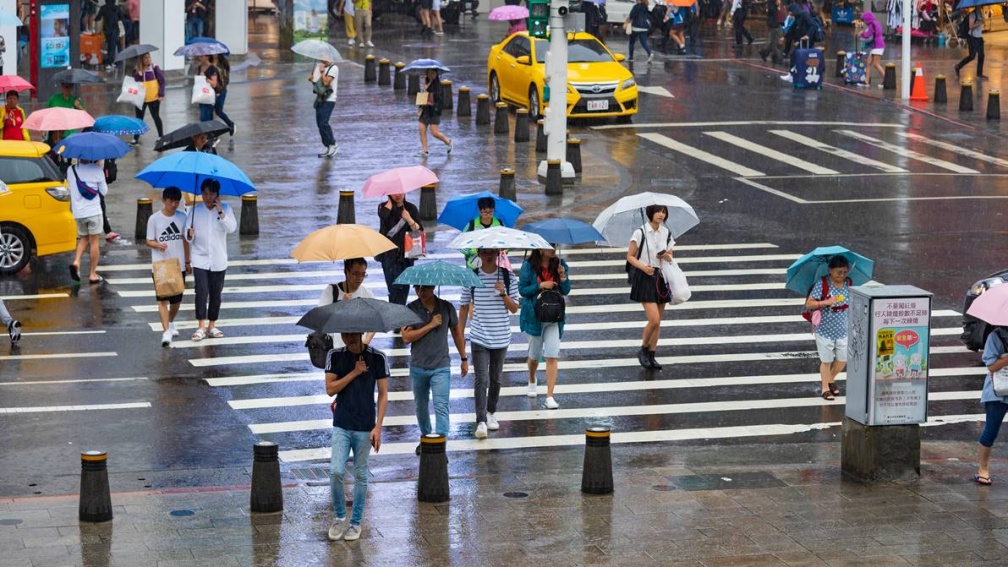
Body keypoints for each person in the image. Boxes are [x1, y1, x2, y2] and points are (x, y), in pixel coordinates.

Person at [325, 331, 389, 542]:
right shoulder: (335, 356)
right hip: (342, 424)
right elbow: (330, 389)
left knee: (361, 475)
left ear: (361, 332)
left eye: (353, 334)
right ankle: (340, 516)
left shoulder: (377, 357)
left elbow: (383, 394)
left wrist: (378, 427)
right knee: (336, 471)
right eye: (345, 335)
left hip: (364, 426)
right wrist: (354, 372)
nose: (349, 338)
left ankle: (356, 522)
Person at [458, 248, 519, 439]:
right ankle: (481, 420)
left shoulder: (508, 278)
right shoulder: (472, 276)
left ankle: (492, 411)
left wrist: (503, 294)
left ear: (499, 252)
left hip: (501, 337)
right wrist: (459, 333)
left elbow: (515, 308)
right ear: (479, 254)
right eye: (484, 251)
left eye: (492, 251)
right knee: (481, 379)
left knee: (496, 379)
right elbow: (463, 305)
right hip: (479, 337)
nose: (489, 255)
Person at [402, 284, 468, 453]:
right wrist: (430, 325)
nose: (421, 292)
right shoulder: (411, 309)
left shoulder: (446, 307)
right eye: (417, 289)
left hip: (441, 366)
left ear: (433, 287)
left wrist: (464, 358)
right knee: (421, 406)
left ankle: (440, 446)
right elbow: (406, 337)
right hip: (418, 366)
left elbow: (456, 332)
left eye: (425, 289)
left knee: (441, 406)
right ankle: (425, 437)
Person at [185, 178, 237, 341]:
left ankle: (212, 325)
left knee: (216, 293)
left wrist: (221, 212)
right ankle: (201, 326)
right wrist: (190, 234)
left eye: (211, 193)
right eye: (205, 193)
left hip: (219, 259)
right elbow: (187, 237)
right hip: (200, 258)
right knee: (201, 291)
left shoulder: (226, 209)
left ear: (217, 194)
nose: (208, 197)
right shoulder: (194, 211)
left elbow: (232, 228)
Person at [519, 248, 570, 409]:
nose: (553, 249)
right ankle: (532, 378)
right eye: (549, 246)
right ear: (540, 249)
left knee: (552, 356)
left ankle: (550, 396)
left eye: (554, 245)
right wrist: (541, 285)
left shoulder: (561, 264)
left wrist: (563, 277)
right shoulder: (528, 266)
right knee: (534, 357)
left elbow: (566, 290)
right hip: (535, 317)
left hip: (554, 316)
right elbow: (522, 290)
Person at [626, 204, 674, 370]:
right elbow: (630, 256)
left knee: (658, 321)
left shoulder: (666, 232)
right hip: (644, 277)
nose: (661, 214)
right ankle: (643, 350)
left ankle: (652, 355)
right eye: (658, 211)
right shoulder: (640, 232)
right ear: (650, 213)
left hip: (660, 277)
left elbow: (670, 257)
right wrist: (643, 267)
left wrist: (665, 255)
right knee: (653, 319)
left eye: (663, 212)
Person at [145, 186, 191, 348]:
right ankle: (166, 331)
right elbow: (148, 240)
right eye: (171, 201)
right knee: (162, 300)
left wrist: (187, 261)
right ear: (164, 200)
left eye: (177, 201)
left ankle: (170, 322)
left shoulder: (183, 217)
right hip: (161, 265)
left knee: (177, 300)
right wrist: (158, 245)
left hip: (178, 264)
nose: (174, 204)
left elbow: (186, 240)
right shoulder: (154, 219)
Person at [805, 255, 851, 400]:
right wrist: (825, 302)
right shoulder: (823, 283)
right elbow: (809, 304)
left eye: (844, 272)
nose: (842, 275)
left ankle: (830, 379)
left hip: (843, 329)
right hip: (824, 330)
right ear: (830, 270)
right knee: (826, 360)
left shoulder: (849, 283)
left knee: (843, 359)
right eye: (838, 272)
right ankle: (825, 388)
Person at [973, 326, 1008, 486]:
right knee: (991, 430)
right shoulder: (996, 336)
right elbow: (991, 366)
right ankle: (983, 469)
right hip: (998, 391)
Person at [317, 257, 376, 350]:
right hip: (337, 350)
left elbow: (374, 323)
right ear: (346, 272)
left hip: (359, 350)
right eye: (356, 274)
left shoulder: (367, 294)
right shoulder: (331, 291)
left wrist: (364, 344)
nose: (360, 278)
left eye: (363, 274)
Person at [376, 193, 422, 306]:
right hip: (389, 257)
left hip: (406, 256)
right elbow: (384, 217)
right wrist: (389, 203)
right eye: (394, 191)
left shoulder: (411, 208)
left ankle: (398, 317)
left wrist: (408, 218)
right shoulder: (383, 207)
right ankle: (396, 317)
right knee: (393, 289)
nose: (398, 194)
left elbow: (419, 231)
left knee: (403, 290)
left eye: (400, 191)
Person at [67, 159, 109, 284]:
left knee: (83, 239)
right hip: (93, 211)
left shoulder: (71, 169)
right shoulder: (97, 170)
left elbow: (69, 188)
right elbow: (104, 192)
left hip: (78, 212)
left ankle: (76, 262)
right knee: (94, 242)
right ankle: (92, 274)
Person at [416, 69, 452, 158]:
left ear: (436, 74)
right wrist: (424, 90)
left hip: (434, 111)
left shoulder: (438, 86)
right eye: (429, 73)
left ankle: (448, 142)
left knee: (434, 132)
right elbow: (423, 96)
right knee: (421, 129)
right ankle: (425, 150)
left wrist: (428, 91)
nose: (431, 75)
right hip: (425, 110)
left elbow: (438, 100)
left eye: (433, 73)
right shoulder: (426, 83)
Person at [197, 54, 235, 137]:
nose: (199, 57)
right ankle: (208, 135)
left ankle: (212, 134)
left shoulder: (216, 66)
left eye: (201, 56)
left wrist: (205, 79)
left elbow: (215, 83)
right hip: (203, 94)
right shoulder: (200, 67)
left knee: (216, 112)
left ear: (207, 56)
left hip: (216, 93)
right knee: (204, 116)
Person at [460, 196, 503, 269]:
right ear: (479, 211)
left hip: (494, 265)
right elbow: (461, 245)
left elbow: (506, 241)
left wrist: (501, 250)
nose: (488, 214)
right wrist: (473, 251)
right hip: (474, 265)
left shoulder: (499, 224)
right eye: (485, 212)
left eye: (491, 211)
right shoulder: (472, 225)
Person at [132, 52, 166, 144]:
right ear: (141, 60)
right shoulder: (137, 70)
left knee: (156, 116)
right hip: (141, 98)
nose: (148, 60)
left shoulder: (155, 68)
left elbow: (162, 81)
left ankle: (160, 136)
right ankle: (135, 138)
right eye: (145, 58)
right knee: (139, 118)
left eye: (149, 57)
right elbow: (133, 82)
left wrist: (161, 94)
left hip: (153, 97)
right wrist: (138, 74)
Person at [309, 57, 339, 158]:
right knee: (319, 124)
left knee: (324, 123)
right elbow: (318, 84)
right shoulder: (319, 67)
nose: (321, 58)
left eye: (323, 56)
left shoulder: (334, 68)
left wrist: (322, 72)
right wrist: (312, 79)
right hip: (320, 98)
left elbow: (326, 83)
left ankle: (333, 144)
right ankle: (326, 146)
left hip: (329, 99)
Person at [857, 12, 885, 88]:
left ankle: (886, 80)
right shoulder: (876, 23)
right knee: (868, 62)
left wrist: (861, 34)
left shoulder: (872, 25)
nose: (864, 22)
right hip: (877, 45)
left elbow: (867, 35)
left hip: (877, 46)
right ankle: (866, 81)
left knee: (876, 64)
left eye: (864, 20)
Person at [956, 7, 985, 79]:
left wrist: (982, 19)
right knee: (972, 56)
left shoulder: (980, 12)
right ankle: (958, 66)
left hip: (979, 37)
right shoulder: (973, 14)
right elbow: (971, 26)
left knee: (981, 55)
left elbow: (982, 22)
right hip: (972, 38)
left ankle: (979, 74)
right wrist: (979, 23)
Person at [96, 0, 121, 70]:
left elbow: (98, 18)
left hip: (107, 30)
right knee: (113, 46)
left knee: (110, 46)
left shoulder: (103, 8)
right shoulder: (117, 8)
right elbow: (121, 18)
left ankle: (110, 62)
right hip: (115, 29)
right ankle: (111, 62)